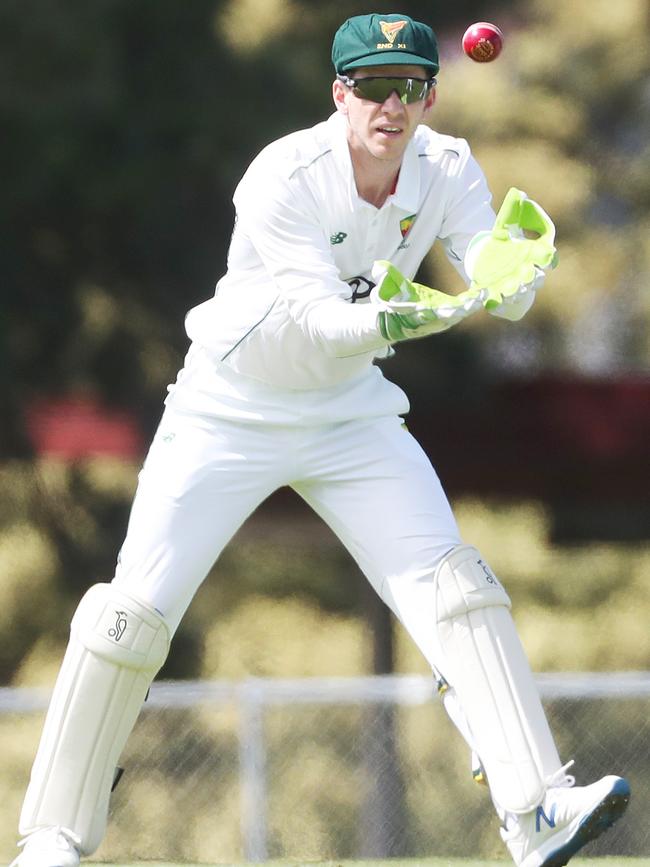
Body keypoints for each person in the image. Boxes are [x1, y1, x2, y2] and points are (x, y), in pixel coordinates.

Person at [13, 12, 630, 867]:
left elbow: (503, 290)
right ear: (340, 93)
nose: (392, 105)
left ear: (429, 96)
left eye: (409, 87)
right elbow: (318, 318)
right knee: (129, 615)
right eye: (374, 86)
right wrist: (399, 313)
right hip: (228, 406)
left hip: (349, 415)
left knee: (458, 586)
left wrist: (515, 263)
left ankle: (537, 812)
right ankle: (52, 838)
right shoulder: (284, 175)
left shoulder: (446, 166)